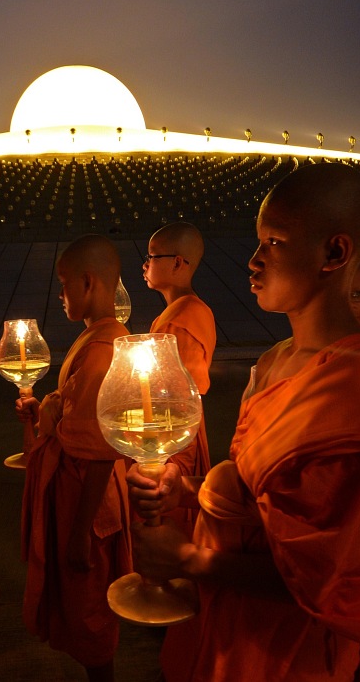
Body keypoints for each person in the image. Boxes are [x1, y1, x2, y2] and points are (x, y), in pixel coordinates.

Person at [129, 164, 360, 680]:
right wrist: (188, 491)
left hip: (292, 649)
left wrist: (189, 561)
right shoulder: (276, 360)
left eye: (274, 242)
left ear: (334, 254)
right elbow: (264, 497)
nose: (252, 261)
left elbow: (328, 578)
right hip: (234, 620)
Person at [17, 234, 131, 682]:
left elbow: (101, 452)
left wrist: (81, 532)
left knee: (89, 607)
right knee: (80, 601)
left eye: (64, 285)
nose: (59, 294)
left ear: (89, 282)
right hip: (76, 485)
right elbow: (74, 410)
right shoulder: (98, 337)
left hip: (87, 497)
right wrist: (44, 408)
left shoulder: (104, 349)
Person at [142, 222, 216, 528]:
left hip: (174, 441)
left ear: (177, 262)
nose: (145, 264)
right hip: (179, 430)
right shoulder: (187, 311)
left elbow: (173, 398)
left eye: (152, 256)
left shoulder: (180, 320)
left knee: (169, 520)